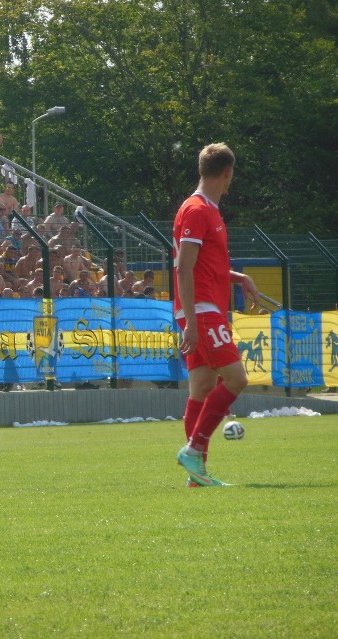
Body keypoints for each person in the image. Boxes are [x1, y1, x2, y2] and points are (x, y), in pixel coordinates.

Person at [173, 143, 259, 487]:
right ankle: (194, 449)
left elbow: (207, 265)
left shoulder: (207, 209)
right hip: (203, 311)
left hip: (203, 308)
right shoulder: (197, 210)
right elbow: (183, 270)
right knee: (236, 380)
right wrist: (193, 322)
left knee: (202, 388)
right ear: (228, 173)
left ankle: (197, 475)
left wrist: (240, 278)